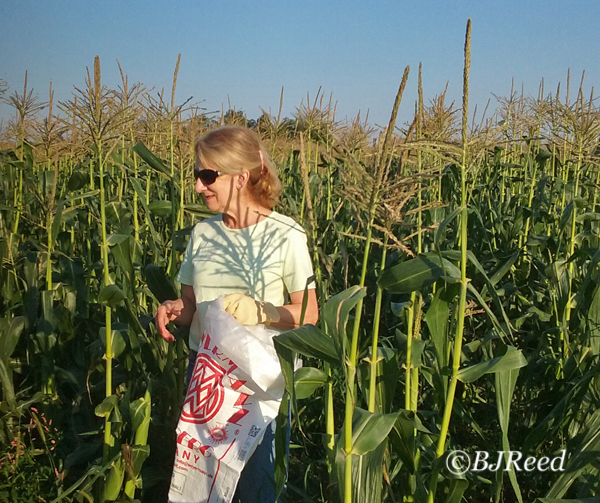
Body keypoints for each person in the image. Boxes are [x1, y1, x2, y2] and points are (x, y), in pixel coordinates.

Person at [154, 125, 319, 503]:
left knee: (257, 484)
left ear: (241, 177)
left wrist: (262, 310)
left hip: (257, 380)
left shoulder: (286, 236)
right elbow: (191, 306)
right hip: (206, 373)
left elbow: (309, 313)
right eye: (197, 175)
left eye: (207, 175)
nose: (198, 186)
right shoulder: (203, 234)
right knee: (202, 481)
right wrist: (172, 310)